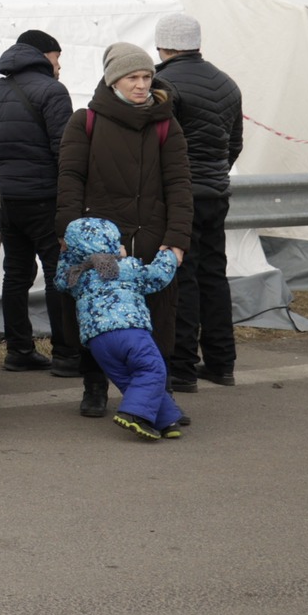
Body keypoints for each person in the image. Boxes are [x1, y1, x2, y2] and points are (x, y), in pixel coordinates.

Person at [55, 42, 193, 420]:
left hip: (152, 237)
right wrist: (69, 233)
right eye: (133, 77)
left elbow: (180, 186)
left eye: (147, 76)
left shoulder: (166, 123)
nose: (141, 84)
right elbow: (70, 178)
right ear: (113, 79)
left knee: (159, 315)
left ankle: (158, 394)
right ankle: (94, 384)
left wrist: (177, 240)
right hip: (99, 240)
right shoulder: (85, 120)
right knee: (97, 313)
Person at [154, 14, 243, 391]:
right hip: (216, 193)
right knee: (214, 275)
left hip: (181, 195)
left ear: (164, 45)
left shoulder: (165, 84)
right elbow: (234, 143)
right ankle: (222, 363)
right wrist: (215, 176)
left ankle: (183, 368)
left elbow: (161, 145)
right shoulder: (227, 83)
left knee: (182, 278)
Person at [0, 29, 79, 375]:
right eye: (58, 56)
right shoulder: (52, 91)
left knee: (16, 274)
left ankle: (19, 350)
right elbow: (64, 151)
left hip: (5, 201)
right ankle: (67, 354)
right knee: (59, 272)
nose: (60, 65)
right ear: (43, 55)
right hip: (44, 198)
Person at [55, 217, 187, 440]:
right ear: (110, 244)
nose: (122, 245)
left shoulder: (76, 275)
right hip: (129, 331)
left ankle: (165, 420)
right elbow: (158, 276)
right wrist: (169, 255)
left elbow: (59, 277)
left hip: (97, 342)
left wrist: (67, 252)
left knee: (131, 380)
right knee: (153, 370)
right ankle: (133, 415)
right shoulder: (126, 267)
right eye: (118, 241)